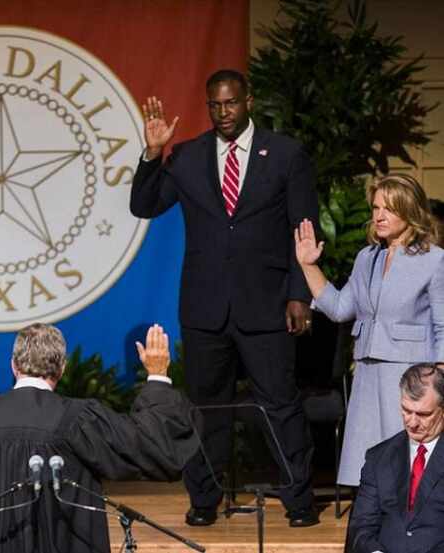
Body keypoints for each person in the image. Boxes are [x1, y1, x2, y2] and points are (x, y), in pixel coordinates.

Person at [131, 69, 320, 526]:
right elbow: (145, 205)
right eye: (215, 106)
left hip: (268, 302)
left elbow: (304, 228)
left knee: (279, 404)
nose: (223, 113)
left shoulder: (286, 154)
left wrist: (300, 294)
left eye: (231, 103)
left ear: (248, 101)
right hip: (205, 307)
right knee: (205, 409)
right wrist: (153, 154)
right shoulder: (189, 157)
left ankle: (299, 502)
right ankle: (203, 501)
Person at [0, 323, 199, 553]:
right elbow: (149, 447)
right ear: (62, 367)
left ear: (14, 365)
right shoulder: (80, 418)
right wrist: (157, 376)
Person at [295, 173, 444, 487]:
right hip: (367, 371)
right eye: (376, 208)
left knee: (406, 469)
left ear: (410, 210)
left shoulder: (434, 259)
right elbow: (338, 308)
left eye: (388, 208)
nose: (379, 216)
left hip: (411, 375)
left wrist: (438, 386)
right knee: (369, 468)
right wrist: (309, 265)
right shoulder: (367, 258)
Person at [348, 363, 444, 553]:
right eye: (406, 410)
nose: (412, 422)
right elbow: (361, 526)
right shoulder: (379, 458)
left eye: (423, 414)